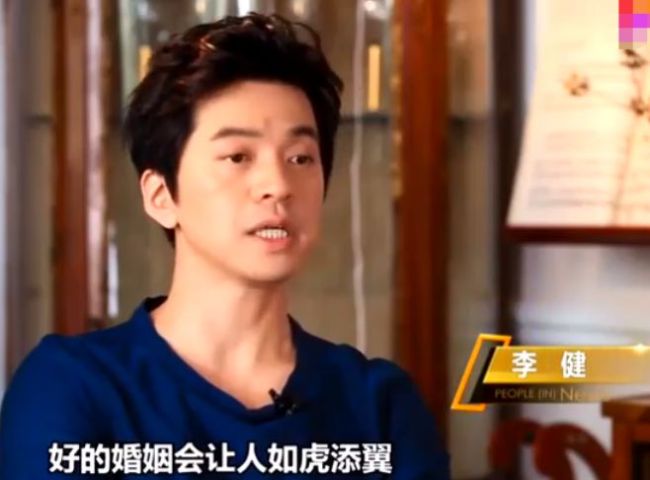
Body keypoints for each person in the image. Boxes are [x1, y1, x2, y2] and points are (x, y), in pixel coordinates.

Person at [0, 13, 449, 479]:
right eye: (238, 157)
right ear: (161, 196)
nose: (278, 185)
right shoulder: (71, 387)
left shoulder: (379, 405)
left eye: (300, 158)